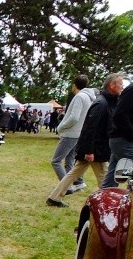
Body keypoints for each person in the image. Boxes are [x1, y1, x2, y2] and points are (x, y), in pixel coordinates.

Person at [47, 72, 124, 207]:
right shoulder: (101, 103)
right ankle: (108, 205)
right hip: (95, 150)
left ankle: (54, 197)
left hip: (95, 148)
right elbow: (89, 127)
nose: (122, 87)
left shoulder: (106, 102)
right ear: (112, 85)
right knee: (105, 178)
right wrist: (89, 150)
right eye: (121, 84)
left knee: (73, 173)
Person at [52, 74, 95, 191]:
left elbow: (74, 117)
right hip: (79, 134)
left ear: (74, 85)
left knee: (55, 161)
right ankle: (77, 183)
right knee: (70, 160)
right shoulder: (88, 98)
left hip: (71, 133)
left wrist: (61, 127)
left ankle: (67, 187)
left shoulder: (79, 97)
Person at [103, 79, 133, 189]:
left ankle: (105, 201)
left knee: (112, 179)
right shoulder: (131, 90)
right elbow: (119, 115)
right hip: (124, 140)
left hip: (121, 140)